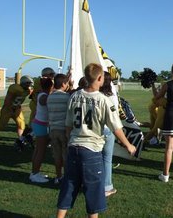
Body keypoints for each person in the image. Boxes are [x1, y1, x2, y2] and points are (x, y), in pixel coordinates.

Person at [56, 63, 136, 218]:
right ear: (100, 78)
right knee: (94, 192)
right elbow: (116, 127)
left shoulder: (75, 96)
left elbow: (68, 125)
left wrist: (69, 140)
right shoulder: (103, 100)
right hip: (91, 150)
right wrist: (128, 145)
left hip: (73, 147)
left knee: (69, 185)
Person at [0, 75, 34, 150]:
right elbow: (10, 98)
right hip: (8, 109)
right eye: (27, 83)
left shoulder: (27, 91)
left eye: (30, 83)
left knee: (21, 125)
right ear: (23, 82)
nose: (29, 85)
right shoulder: (14, 88)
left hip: (17, 109)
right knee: (0, 126)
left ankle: (21, 141)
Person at [47, 74, 71, 184]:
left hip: (53, 129)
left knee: (56, 154)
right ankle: (66, 177)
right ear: (63, 84)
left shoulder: (50, 97)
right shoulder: (66, 97)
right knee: (66, 155)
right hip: (63, 130)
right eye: (67, 83)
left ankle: (58, 176)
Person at [29, 77, 54, 183]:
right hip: (41, 126)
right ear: (51, 86)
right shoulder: (44, 96)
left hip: (40, 124)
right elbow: (49, 102)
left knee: (38, 150)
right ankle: (34, 174)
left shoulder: (42, 94)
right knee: (40, 151)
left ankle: (35, 172)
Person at [99, 71, 118, 197]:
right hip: (108, 129)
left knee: (95, 159)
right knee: (107, 159)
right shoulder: (111, 97)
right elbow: (114, 114)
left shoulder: (95, 95)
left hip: (95, 130)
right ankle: (107, 186)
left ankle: (92, 184)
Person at [27, 67, 56, 141]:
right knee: (33, 124)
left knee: (35, 123)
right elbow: (48, 89)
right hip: (36, 104)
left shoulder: (42, 81)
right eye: (51, 75)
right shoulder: (40, 81)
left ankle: (29, 136)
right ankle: (24, 139)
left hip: (38, 103)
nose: (52, 76)